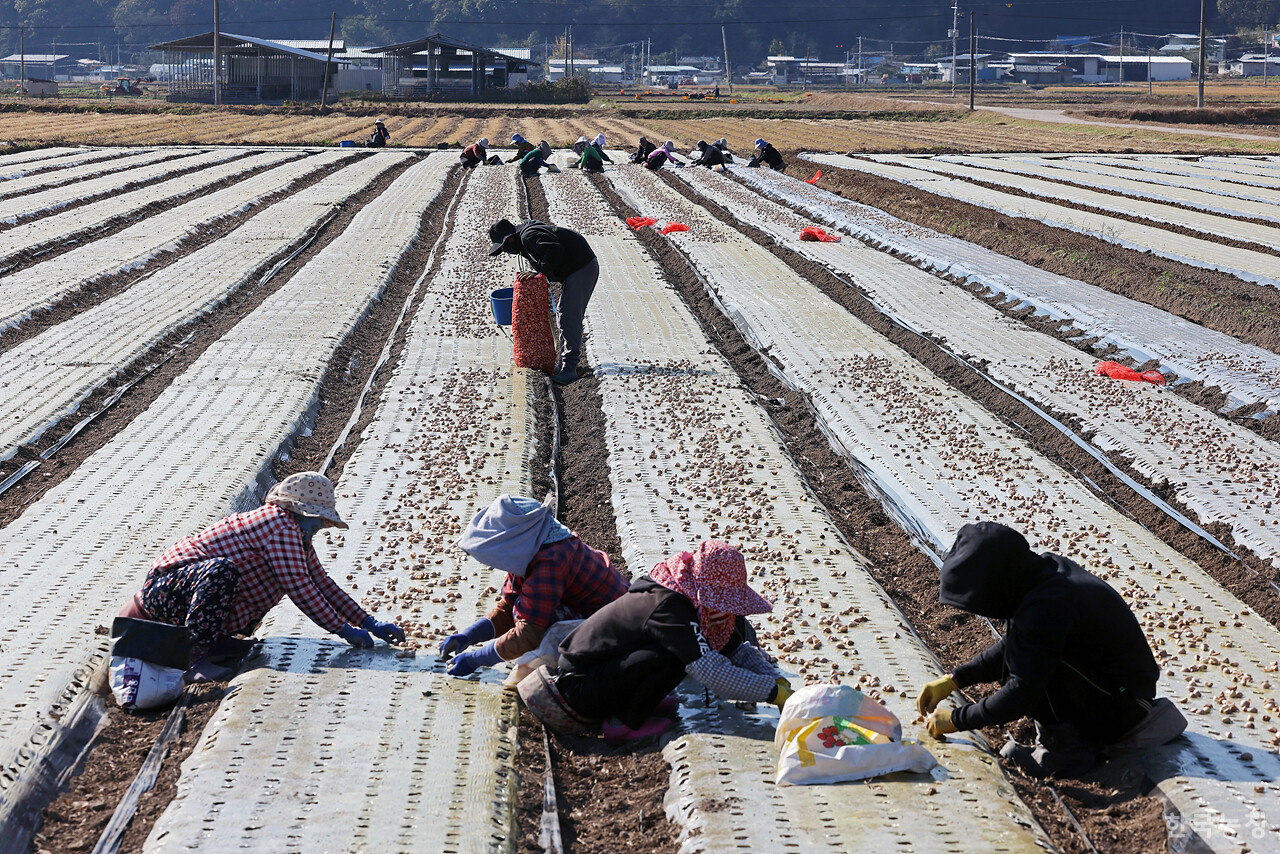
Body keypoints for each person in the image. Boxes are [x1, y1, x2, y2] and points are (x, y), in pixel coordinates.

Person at [917, 522, 1186, 778]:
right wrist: (955, 679)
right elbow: (1013, 645)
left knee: (1035, 667)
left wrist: (958, 719)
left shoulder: (1048, 607)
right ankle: (1067, 736)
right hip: (1117, 690)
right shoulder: (1037, 576)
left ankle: (1066, 752)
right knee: (1027, 656)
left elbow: (1022, 691)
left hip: (1126, 707)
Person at [119, 472, 405, 684]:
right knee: (220, 573)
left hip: (177, 597)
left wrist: (367, 621)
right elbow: (301, 588)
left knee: (228, 576)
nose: (320, 526)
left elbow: (321, 582)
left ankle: (213, 642)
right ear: (299, 511)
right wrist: (342, 630)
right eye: (318, 519)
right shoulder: (280, 526)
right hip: (161, 597)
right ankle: (193, 658)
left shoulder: (295, 533)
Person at [517, 541, 793, 744]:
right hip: (578, 689)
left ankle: (635, 704)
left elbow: (734, 649)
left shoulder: (688, 599)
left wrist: (777, 680)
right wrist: (772, 693)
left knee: (681, 652)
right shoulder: (670, 607)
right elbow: (711, 671)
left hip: (598, 674)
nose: (726, 611)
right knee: (677, 657)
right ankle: (624, 723)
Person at [441, 495, 629, 677]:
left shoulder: (549, 561)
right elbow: (509, 606)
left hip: (615, 632)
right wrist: (469, 636)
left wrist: (476, 659)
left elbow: (529, 633)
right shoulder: (532, 549)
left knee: (536, 627)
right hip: (600, 616)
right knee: (522, 610)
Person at [488, 217, 598, 384]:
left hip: (582, 268)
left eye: (503, 248)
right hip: (576, 268)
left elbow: (555, 249)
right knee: (562, 313)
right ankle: (563, 363)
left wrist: (541, 271)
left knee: (569, 315)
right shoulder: (527, 235)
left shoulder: (528, 236)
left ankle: (570, 368)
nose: (506, 251)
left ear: (509, 239)